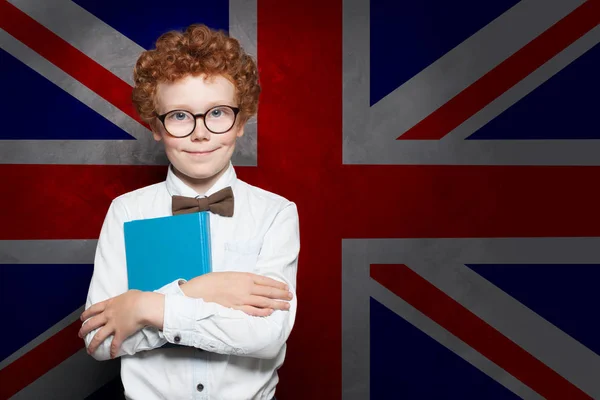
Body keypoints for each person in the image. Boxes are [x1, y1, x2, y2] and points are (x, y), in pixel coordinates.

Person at [78, 23, 299, 400]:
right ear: (156, 127)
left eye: (217, 114)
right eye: (180, 116)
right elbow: (100, 340)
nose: (200, 133)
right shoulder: (126, 212)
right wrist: (202, 290)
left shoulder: (276, 214)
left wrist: (146, 306)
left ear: (241, 121)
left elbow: (265, 336)